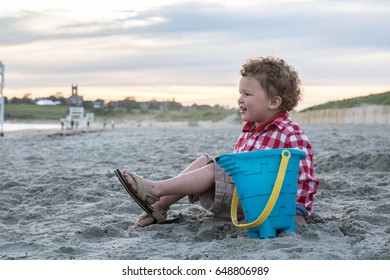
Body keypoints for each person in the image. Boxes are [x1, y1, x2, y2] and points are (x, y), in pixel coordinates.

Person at [115, 56, 319, 227]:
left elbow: (305, 178)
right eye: (240, 92)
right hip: (244, 199)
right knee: (204, 161)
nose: (240, 99)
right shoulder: (249, 132)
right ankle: (158, 206)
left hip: (268, 206)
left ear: (274, 102)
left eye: (247, 94)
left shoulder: (290, 133)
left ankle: (156, 188)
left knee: (218, 167)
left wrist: (297, 212)